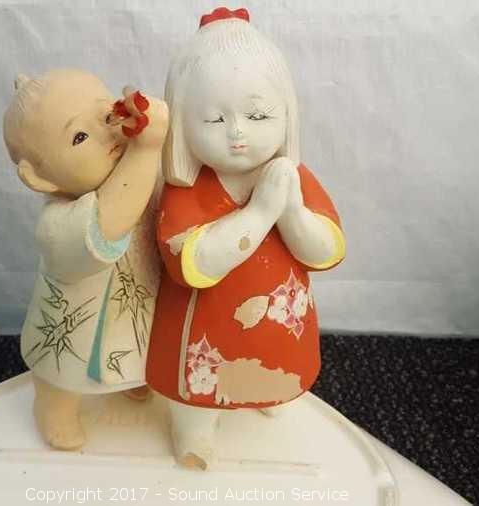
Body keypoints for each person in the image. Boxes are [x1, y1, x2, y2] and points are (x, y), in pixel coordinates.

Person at [146, 7, 346, 469]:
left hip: (276, 319)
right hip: (204, 325)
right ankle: (193, 429)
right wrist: (260, 212)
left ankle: (265, 389)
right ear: (182, 125)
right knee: (196, 385)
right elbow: (191, 264)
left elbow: (326, 251)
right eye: (214, 120)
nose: (238, 133)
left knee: (273, 362)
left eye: (257, 115)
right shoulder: (186, 190)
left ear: (286, 113)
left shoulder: (292, 177)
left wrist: (291, 210)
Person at [3, 69, 168, 450]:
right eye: (79, 136)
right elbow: (110, 221)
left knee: (140, 346)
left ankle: (132, 377)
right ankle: (53, 409)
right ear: (39, 178)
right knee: (63, 375)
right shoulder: (57, 224)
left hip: (139, 302)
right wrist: (146, 149)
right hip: (77, 328)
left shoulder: (139, 171)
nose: (108, 133)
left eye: (107, 115)